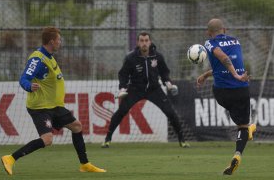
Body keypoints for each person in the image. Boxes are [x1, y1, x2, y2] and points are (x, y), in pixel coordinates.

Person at [1, 27, 106, 175]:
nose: (60, 42)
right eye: (59, 40)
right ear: (52, 41)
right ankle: (10, 158)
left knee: (77, 126)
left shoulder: (49, 56)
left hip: (54, 106)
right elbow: (24, 78)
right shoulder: (38, 59)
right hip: (40, 108)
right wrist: (29, 86)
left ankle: (85, 164)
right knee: (47, 139)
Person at [101, 31, 190, 148]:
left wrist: (168, 84)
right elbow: (123, 75)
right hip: (135, 89)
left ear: (150, 42)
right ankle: (107, 139)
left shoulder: (158, 57)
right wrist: (123, 88)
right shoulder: (130, 58)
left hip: (154, 89)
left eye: (146, 41)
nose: (144, 43)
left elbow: (164, 73)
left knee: (170, 112)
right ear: (138, 43)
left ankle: (182, 140)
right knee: (121, 111)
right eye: (142, 41)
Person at [197, 18, 256, 175]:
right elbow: (227, 60)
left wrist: (207, 75)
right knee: (243, 127)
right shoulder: (236, 41)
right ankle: (238, 153)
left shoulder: (209, 43)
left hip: (221, 93)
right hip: (241, 90)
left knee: (242, 124)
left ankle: (246, 131)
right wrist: (237, 75)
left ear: (209, 33)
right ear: (225, 29)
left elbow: (222, 57)